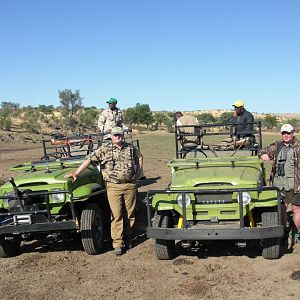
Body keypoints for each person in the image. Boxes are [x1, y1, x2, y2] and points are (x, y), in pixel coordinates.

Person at [65, 126, 142, 255]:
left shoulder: (130, 148)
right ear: (111, 137)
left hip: (130, 185)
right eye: (115, 135)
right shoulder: (105, 149)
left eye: (120, 134)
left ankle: (128, 238)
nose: (118, 136)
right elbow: (89, 160)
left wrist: (138, 173)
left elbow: (139, 157)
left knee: (129, 214)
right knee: (116, 215)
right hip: (113, 186)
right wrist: (76, 173)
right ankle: (118, 243)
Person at [258, 124, 300, 248]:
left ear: (293, 133)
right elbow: (261, 151)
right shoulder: (277, 146)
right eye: (283, 133)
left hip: (295, 184)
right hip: (279, 184)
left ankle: (296, 234)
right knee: (281, 209)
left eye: (288, 133)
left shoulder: (298, 147)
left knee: (296, 209)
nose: (286, 135)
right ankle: (284, 233)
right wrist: (263, 155)